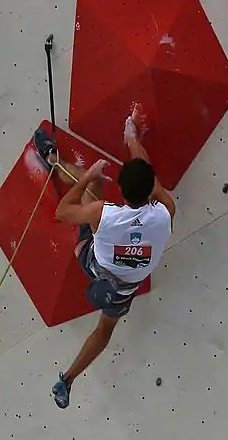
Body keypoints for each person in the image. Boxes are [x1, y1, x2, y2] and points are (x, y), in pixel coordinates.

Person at [33, 113, 175, 408]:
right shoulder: (165, 211)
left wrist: (90, 176)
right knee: (103, 331)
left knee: (89, 188)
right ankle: (67, 379)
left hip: (91, 260)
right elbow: (149, 176)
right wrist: (132, 138)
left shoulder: (104, 214)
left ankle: (52, 159)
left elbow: (63, 212)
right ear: (151, 191)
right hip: (123, 289)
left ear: (121, 191)